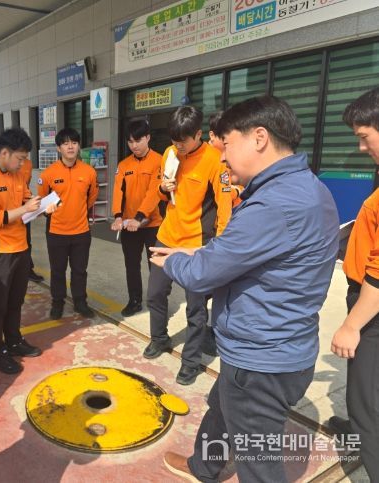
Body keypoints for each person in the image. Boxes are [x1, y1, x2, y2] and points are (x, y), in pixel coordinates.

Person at [150, 96, 339, 482]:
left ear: (259, 138)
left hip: (262, 359)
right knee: (221, 407)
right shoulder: (307, 188)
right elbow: (243, 251)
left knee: (259, 464)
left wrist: (173, 261)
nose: (222, 157)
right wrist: (198, 251)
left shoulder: (273, 204)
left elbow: (204, 274)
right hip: (272, 344)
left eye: (228, 144)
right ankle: (203, 467)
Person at [144, 106, 231, 386]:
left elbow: (225, 207)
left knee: (196, 308)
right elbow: (161, 191)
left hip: (196, 245)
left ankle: (191, 361)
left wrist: (219, 247)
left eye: (183, 141)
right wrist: (163, 187)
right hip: (166, 236)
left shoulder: (215, 160)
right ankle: (159, 338)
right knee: (155, 294)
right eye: (174, 140)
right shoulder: (170, 153)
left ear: (198, 134)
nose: (178, 146)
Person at [331, 87, 379, 481]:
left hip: (371, 309)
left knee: (365, 405)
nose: (361, 147)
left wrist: (351, 325)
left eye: (365, 137)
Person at [0, 127, 51, 375]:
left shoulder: (18, 175)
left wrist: (42, 207)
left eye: (25, 158)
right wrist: (26, 208)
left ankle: (14, 341)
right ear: (4, 153)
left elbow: (27, 202)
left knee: (16, 301)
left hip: (21, 248)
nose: (22, 164)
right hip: (0, 252)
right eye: (20, 158)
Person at [38, 127, 99, 319]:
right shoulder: (48, 174)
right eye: (65, 143)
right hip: (56, 232)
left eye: (74, 142)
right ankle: (57, 303)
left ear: (79, 146)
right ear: (59, 148)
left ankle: (80, 302)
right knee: (58, 271)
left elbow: (91, 197)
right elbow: (43, 201)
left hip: (81, 231)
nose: (70, 146)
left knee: (80, 270)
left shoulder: (89, 172)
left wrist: (78, 211)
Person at [110, 119, 163, 317]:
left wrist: (140, 217)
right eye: (130, 141)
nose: (134, 146)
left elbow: (154, 193)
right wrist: (117, 217)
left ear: (148, 137)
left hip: (153, 225)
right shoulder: (124, 165)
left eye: (138, 140)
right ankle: (134, 301)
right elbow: (118, 192)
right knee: (131, 265)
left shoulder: (159, 161)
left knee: (156, 267)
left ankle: (158, 305)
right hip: (129, 226)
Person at [208, 111, 243, 207]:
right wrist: (233, 191)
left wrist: (237, 190)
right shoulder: (204, 158)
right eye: (225, 135)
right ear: (212, 135)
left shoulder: (237, 153)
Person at [20, 157, 44, 283]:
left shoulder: (28, 163)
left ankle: (28, 269)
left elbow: (26, 187)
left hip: (26, 206)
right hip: (11, 208)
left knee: (26, 240)